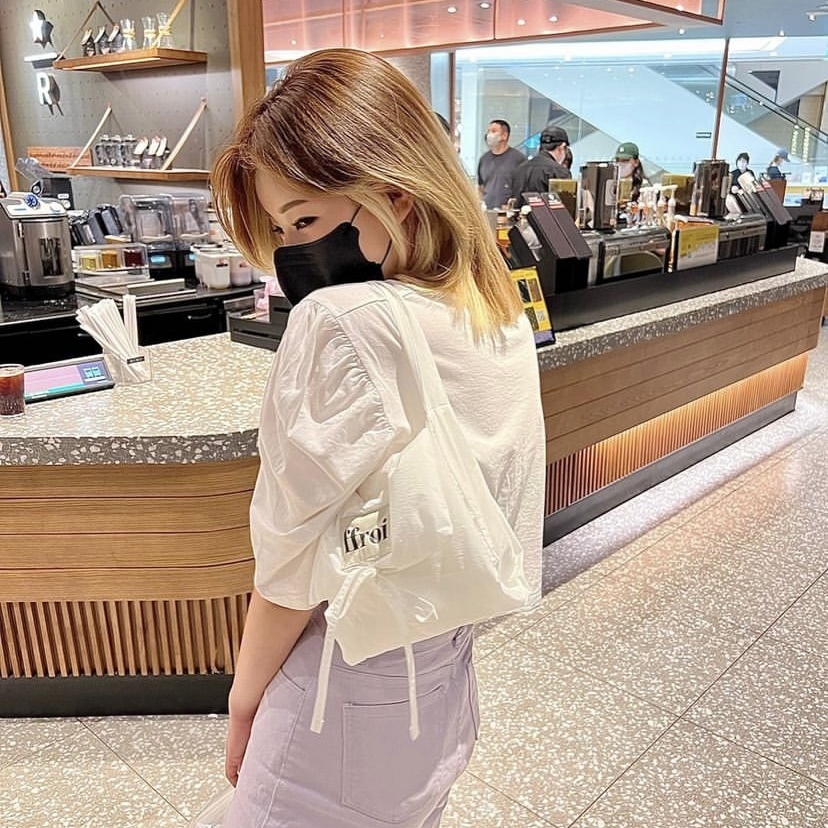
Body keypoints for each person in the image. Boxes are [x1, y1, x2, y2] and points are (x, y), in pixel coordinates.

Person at [210, 48, 544, 828]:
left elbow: (288, 568)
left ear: (392, 196)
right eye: (282, 229)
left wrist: (243, 700)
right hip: (444, 690)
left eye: (305, 220)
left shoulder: (342, 322)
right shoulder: (496, 312)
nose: (291, 252)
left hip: (337, 699)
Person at [511, 124, 571, 209]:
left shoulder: (520, 168)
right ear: (562, 147)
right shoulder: (559, 171)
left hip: (520, 217)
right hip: (547, 217)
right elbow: (565, 208)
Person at [477, 119, 526, 209]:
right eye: (488, 131)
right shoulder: (484, 159)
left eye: (493, 131)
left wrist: (513, 205)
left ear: (504, 135)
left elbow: (522, 187)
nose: (489, 135)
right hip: (487, 210)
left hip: (508, 212)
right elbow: (481, 187)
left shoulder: (518, 159)